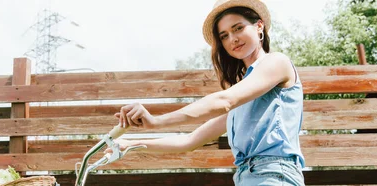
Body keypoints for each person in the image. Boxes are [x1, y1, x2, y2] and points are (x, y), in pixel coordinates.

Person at [108, 0, 305, 185]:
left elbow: (224, 100)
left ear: (259, 26)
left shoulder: (276, 62)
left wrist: (158, 121)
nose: (233, 39)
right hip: (246, 178)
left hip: (275, 175)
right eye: (224, 35)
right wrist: (129, 143)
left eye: (238, 28)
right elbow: (189, 140)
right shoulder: (244, 96)